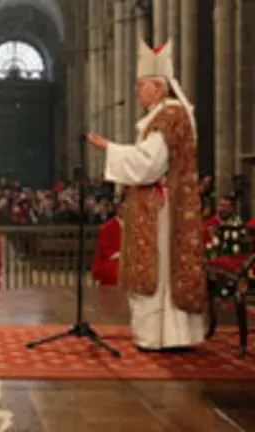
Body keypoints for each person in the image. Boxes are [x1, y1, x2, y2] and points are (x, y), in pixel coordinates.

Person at [86, 39, 206, 351]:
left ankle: (160, 335)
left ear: (158, 87)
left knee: (160, 269)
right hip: (162, 206)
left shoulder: (168, 116)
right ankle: (166, 334)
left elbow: (148, 165)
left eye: (142, 86)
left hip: (162, 211)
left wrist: (109, 148)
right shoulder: (165, 115)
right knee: (160, 270)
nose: (137, 91)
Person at [92, 200, 123, 287]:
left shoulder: (135, 226)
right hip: (113, 264)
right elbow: (103, 252)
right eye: (121, 207)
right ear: (117, 208)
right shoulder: (107, 228)